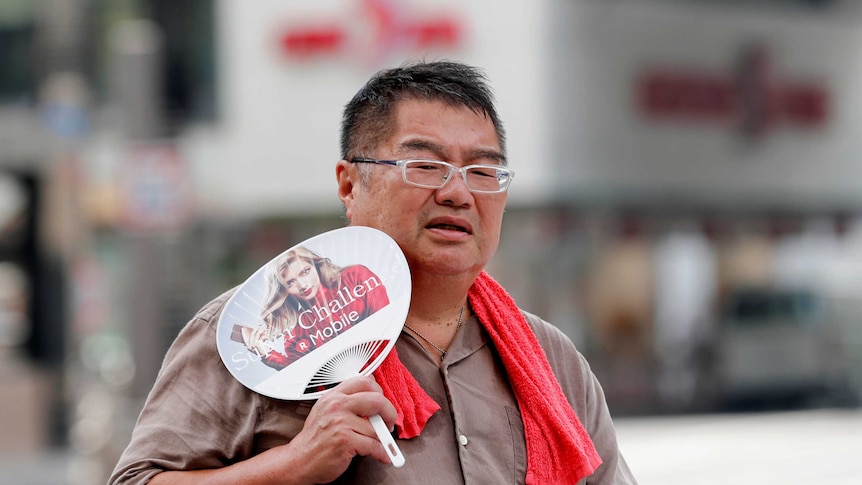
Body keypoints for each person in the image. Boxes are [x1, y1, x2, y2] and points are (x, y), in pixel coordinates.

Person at [109, 60, 637, 484]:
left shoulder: (549, 358)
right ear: (349, 185)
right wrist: (292, 466)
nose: (457, 192)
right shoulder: (258, 337)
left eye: (483, 171)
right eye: (424, 165)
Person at [240, 246, 390, 370]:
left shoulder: (355, 276)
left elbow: (385, 319)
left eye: (305, 272)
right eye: (290, 283)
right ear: (283, 292)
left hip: (388, 361)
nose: (303, 285)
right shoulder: (296, 332)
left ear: (316, 266)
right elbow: (304, 373)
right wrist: (265, 353)